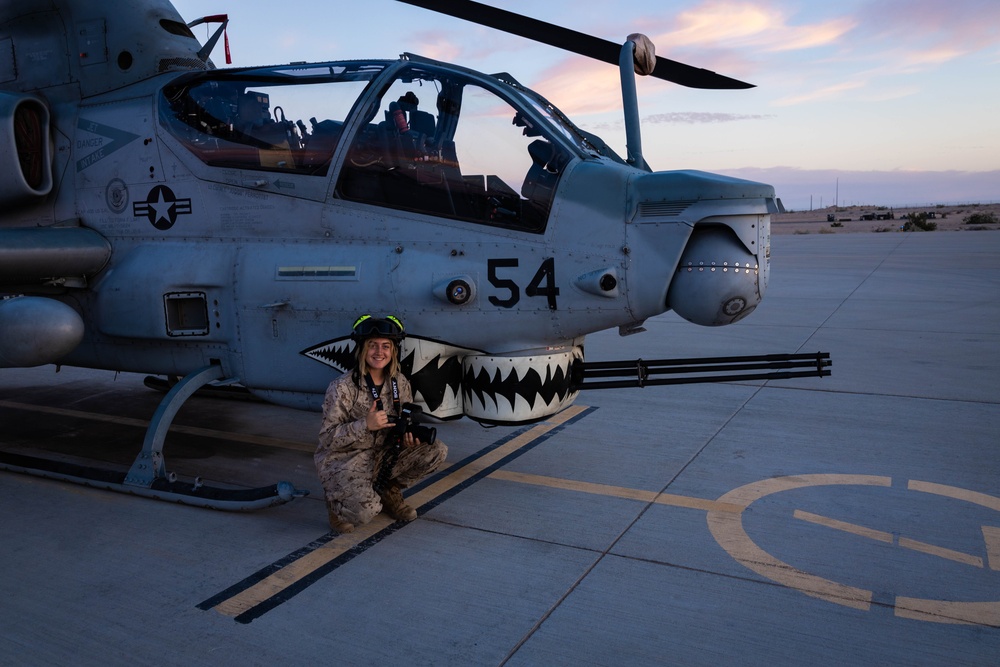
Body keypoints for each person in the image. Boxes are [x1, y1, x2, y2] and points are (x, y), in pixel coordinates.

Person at [315, 315, 447, 533]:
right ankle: (336, 503)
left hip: (383, 452)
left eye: (386, 346)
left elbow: (404, 419)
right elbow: (328, 438)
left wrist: (407, 437)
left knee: (436, 451)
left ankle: (389, 490)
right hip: (346, 458)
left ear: (393, 351)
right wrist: (364, 424)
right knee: (364, 513)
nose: (379, 352)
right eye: (372, 345)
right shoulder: (341, 387)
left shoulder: (400, 382)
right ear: (362, 349)